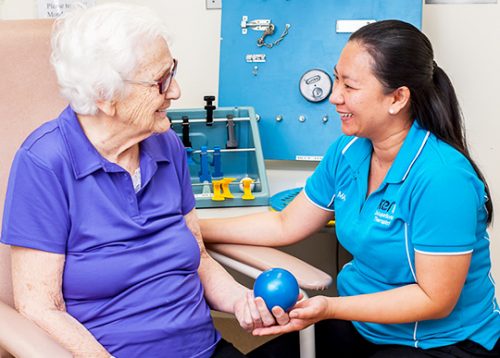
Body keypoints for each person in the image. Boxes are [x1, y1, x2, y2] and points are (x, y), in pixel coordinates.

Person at [0, 3, 287, 357]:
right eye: (161, 80)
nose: (177, 90)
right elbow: (40, 307)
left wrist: (241, 302)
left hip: (205, 349)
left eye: (173, 71)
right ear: (106, 96)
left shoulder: (164, 143)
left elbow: (198, 258)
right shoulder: (45, 163)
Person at [201, 20, 500, 357]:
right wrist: (192, 229)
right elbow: (285, 224)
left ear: (398, 98)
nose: (334, 96)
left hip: (441, 342)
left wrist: (328, 308)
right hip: (362, 324)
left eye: (350, 86)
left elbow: (435, 299)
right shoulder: (348, 152)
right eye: (336, 78)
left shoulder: (442, 178)